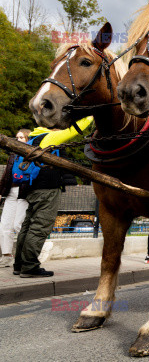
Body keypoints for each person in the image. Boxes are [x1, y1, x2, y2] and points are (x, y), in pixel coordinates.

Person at [13, 117, 93, 277]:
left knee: (28, 226)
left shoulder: (34, 137)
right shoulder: (49, 137)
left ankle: (19, 265)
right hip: (47, 190)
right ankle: (29, 267)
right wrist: (90, 115)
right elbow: (74, 130)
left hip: (33, 188)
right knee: (39, 227)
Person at [0, 129, 31, 268]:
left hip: (24, 193)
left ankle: (26, 256)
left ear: (28, 139)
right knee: (4, 226)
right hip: (11, 192)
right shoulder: (12, 155)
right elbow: (6, 174)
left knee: (18, 225)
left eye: (21, 138)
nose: (18, 140)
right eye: (17, 137)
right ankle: (6, 256)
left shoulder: (32, 154)